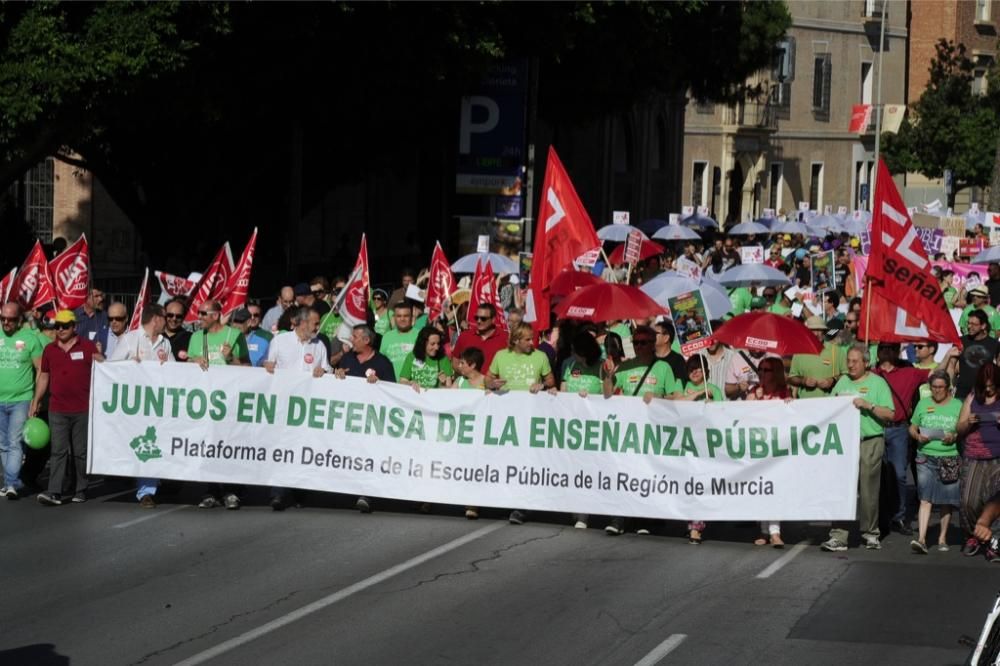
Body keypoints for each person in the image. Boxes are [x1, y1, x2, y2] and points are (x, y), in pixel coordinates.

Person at [601, 325, 677, 535]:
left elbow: (675, 396)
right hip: (629, 430)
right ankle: (618, 519)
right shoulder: (624, 368)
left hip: (653, 431)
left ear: (653, 344)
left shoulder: (663, 368)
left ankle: (644, 518)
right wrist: (607, 376)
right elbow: (607, 396)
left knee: (646, 475)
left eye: (644, 342)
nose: (639, 346)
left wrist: (659, 399)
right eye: (636, 343)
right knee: (623, 474)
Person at [822, 344, 895, 552]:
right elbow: (828, 406)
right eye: (848, 361)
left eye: (855, 361)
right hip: (845, 442)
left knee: (868, 489)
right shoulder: (843, 381)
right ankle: (838, 536)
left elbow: (890, 414)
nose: (850, 365)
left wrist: (868, 405)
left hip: (870, 440)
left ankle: (870, 533)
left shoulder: (878, 383)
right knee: (841, 488)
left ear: (866, 362)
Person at [31, 310, 102, 505]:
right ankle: (55, 491)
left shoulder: (87, 347)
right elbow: (44, 376)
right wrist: (36, 400)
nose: (60, 329)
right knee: (58, 451)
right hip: (57, 408)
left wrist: (100, 355)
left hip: (83, 409)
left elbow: (104, 370)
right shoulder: (50, 350)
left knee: (79, 452)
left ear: (74, 326)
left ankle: (80, 488)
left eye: (65, 326)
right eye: (57, 326)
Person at [107, 304, 173, 507]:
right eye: (165, 317)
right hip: (133, 405)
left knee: (151, 446)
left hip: (157, 404)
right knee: (134, 446)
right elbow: (110, 367)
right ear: (156, 319)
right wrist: (129, 366)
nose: (168, 321)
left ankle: (146, 490)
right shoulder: (130, 339)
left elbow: (175, 373)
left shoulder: (165, 343)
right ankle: (129, 479)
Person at [264, 306, 329, 511]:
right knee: (282, 448)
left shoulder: (319, 345)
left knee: (302, 448)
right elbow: (268, 364)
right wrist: (267, 366)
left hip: (307, 408)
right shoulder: (279, 341)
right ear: (302, 323)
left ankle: (299, 490)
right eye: (315, 323)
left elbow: (326, 370)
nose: (318, 327)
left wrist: (323, 372)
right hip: (283, 406)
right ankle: (277, 492)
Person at [187, 299, 249, 509]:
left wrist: (231, 357)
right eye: (199, 313)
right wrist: (194, 360)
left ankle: (232, 490)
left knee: (229, 444)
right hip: (207, 399)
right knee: (208, 444)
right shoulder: (196, 337)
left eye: (203, 314)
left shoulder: (234, 335)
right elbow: (186, 364)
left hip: (230, 400)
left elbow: (248, 366)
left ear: (215, 315)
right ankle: (211, 490)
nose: (199, 317)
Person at [873, 342, 931, 537]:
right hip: (875, 429)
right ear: (878, 352)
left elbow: (935, 374)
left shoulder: (909, 372)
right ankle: (879, 518)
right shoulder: (870, 374)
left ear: (898, 352)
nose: (887, 352)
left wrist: (949, 355)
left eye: (891, 348)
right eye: (883, 348)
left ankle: (898, 516)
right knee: (877, 476)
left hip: (898, 429)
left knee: (898, 474)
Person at [335, 324, 394, 514]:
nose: (351, 340)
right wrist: (337, 375)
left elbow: (392, 393)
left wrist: (380, 385)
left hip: (372, 422)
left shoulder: (383, 363)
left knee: (368, 456)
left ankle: (365, 494)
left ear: (367, 340)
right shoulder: (347, 358)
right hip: (349, 420)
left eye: (355, 337)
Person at [908, 370, 961, 554]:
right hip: (925, 455)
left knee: (946, 499)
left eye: (940, 387)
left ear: (948, 388)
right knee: (925, 498)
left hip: (949, 456)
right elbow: (912, 427)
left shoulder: (958, 405)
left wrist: (953, 436)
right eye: (934, 387)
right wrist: (917, 436)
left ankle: (942, 537)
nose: (937, 391)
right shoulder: (923, 404)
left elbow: (962, 429)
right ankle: (921, 539)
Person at [955, 363, 1000, 558]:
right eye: (985, 385)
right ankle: (973, 534)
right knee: (968, 501)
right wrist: (968, 422)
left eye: (991, 385)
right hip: (974, 454)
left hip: (997, 454)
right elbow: (959, 428)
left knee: (996, 500)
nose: (988, 388)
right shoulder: (973, 397)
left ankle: (994, 539)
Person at [746, 356, 791, 547]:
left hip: (776, 448)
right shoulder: (753, 393)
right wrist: (754, 400)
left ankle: (774, 531)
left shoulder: (784, 393)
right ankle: (764, 531)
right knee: (761, 489)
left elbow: (791, 417)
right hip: (757, 448)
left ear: (777, 373)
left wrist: (789, 404)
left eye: (768, 370)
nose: (763, 374)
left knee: (774, 488)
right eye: (760, 370)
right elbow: (742, 417)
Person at [0, 303, 43, 499]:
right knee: (2, 444)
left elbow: (41, 369)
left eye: (10, 319)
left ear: (19, 320)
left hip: (21, 399)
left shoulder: (29, 338)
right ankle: (13, 480)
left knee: (14, 442)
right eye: (3, 319)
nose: (6, 322)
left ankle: (10, 482)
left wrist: (36, 398)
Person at [788, 316, 845, 399]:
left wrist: (833, 380)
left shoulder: (836, 351)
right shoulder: (799, 352)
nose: (816, 334)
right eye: (812, 330)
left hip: (832, 404)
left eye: (819, 330)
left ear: (824, 332)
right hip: (806, 404)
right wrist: (803, 381)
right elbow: (792, 378)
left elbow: (847, 375)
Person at [948, 309, 998, 399]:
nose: (969, 326)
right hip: (962, 392)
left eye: (974, 324)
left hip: (985, 393)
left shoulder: (994, 344)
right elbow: (951, 365)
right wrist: (949, 386)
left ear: (983, 326)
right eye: (968, 323)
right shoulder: (960, 341)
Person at [452, 303, 508, 373]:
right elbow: (455, 362)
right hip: (469, 382)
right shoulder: (465, 336)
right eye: (476, 318)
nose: (479, 321)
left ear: (493, 319)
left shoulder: (505, 337)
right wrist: (467, 375)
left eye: (483, 319)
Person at [379, 302, 420, 379]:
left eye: (406, 316)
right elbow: (381, 362)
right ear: (394, 317)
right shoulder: (387, 336)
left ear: (411, 317)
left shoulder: (420, 335)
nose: (402, 319)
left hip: (414, 386)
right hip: (391, 386)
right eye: (399, 316)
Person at [653, 320, 688, 386]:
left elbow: (680, 388)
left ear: (666, 338)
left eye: (654, 333)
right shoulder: (648, 357)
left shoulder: (678, 360)